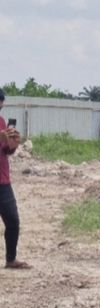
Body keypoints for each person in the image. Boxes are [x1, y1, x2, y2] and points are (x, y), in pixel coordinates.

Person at [0, 89, 28, 270]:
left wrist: (12, 145)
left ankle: (11, 259)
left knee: (13, 220)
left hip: (3, 181)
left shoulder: (2, 122)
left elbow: (5, 151)